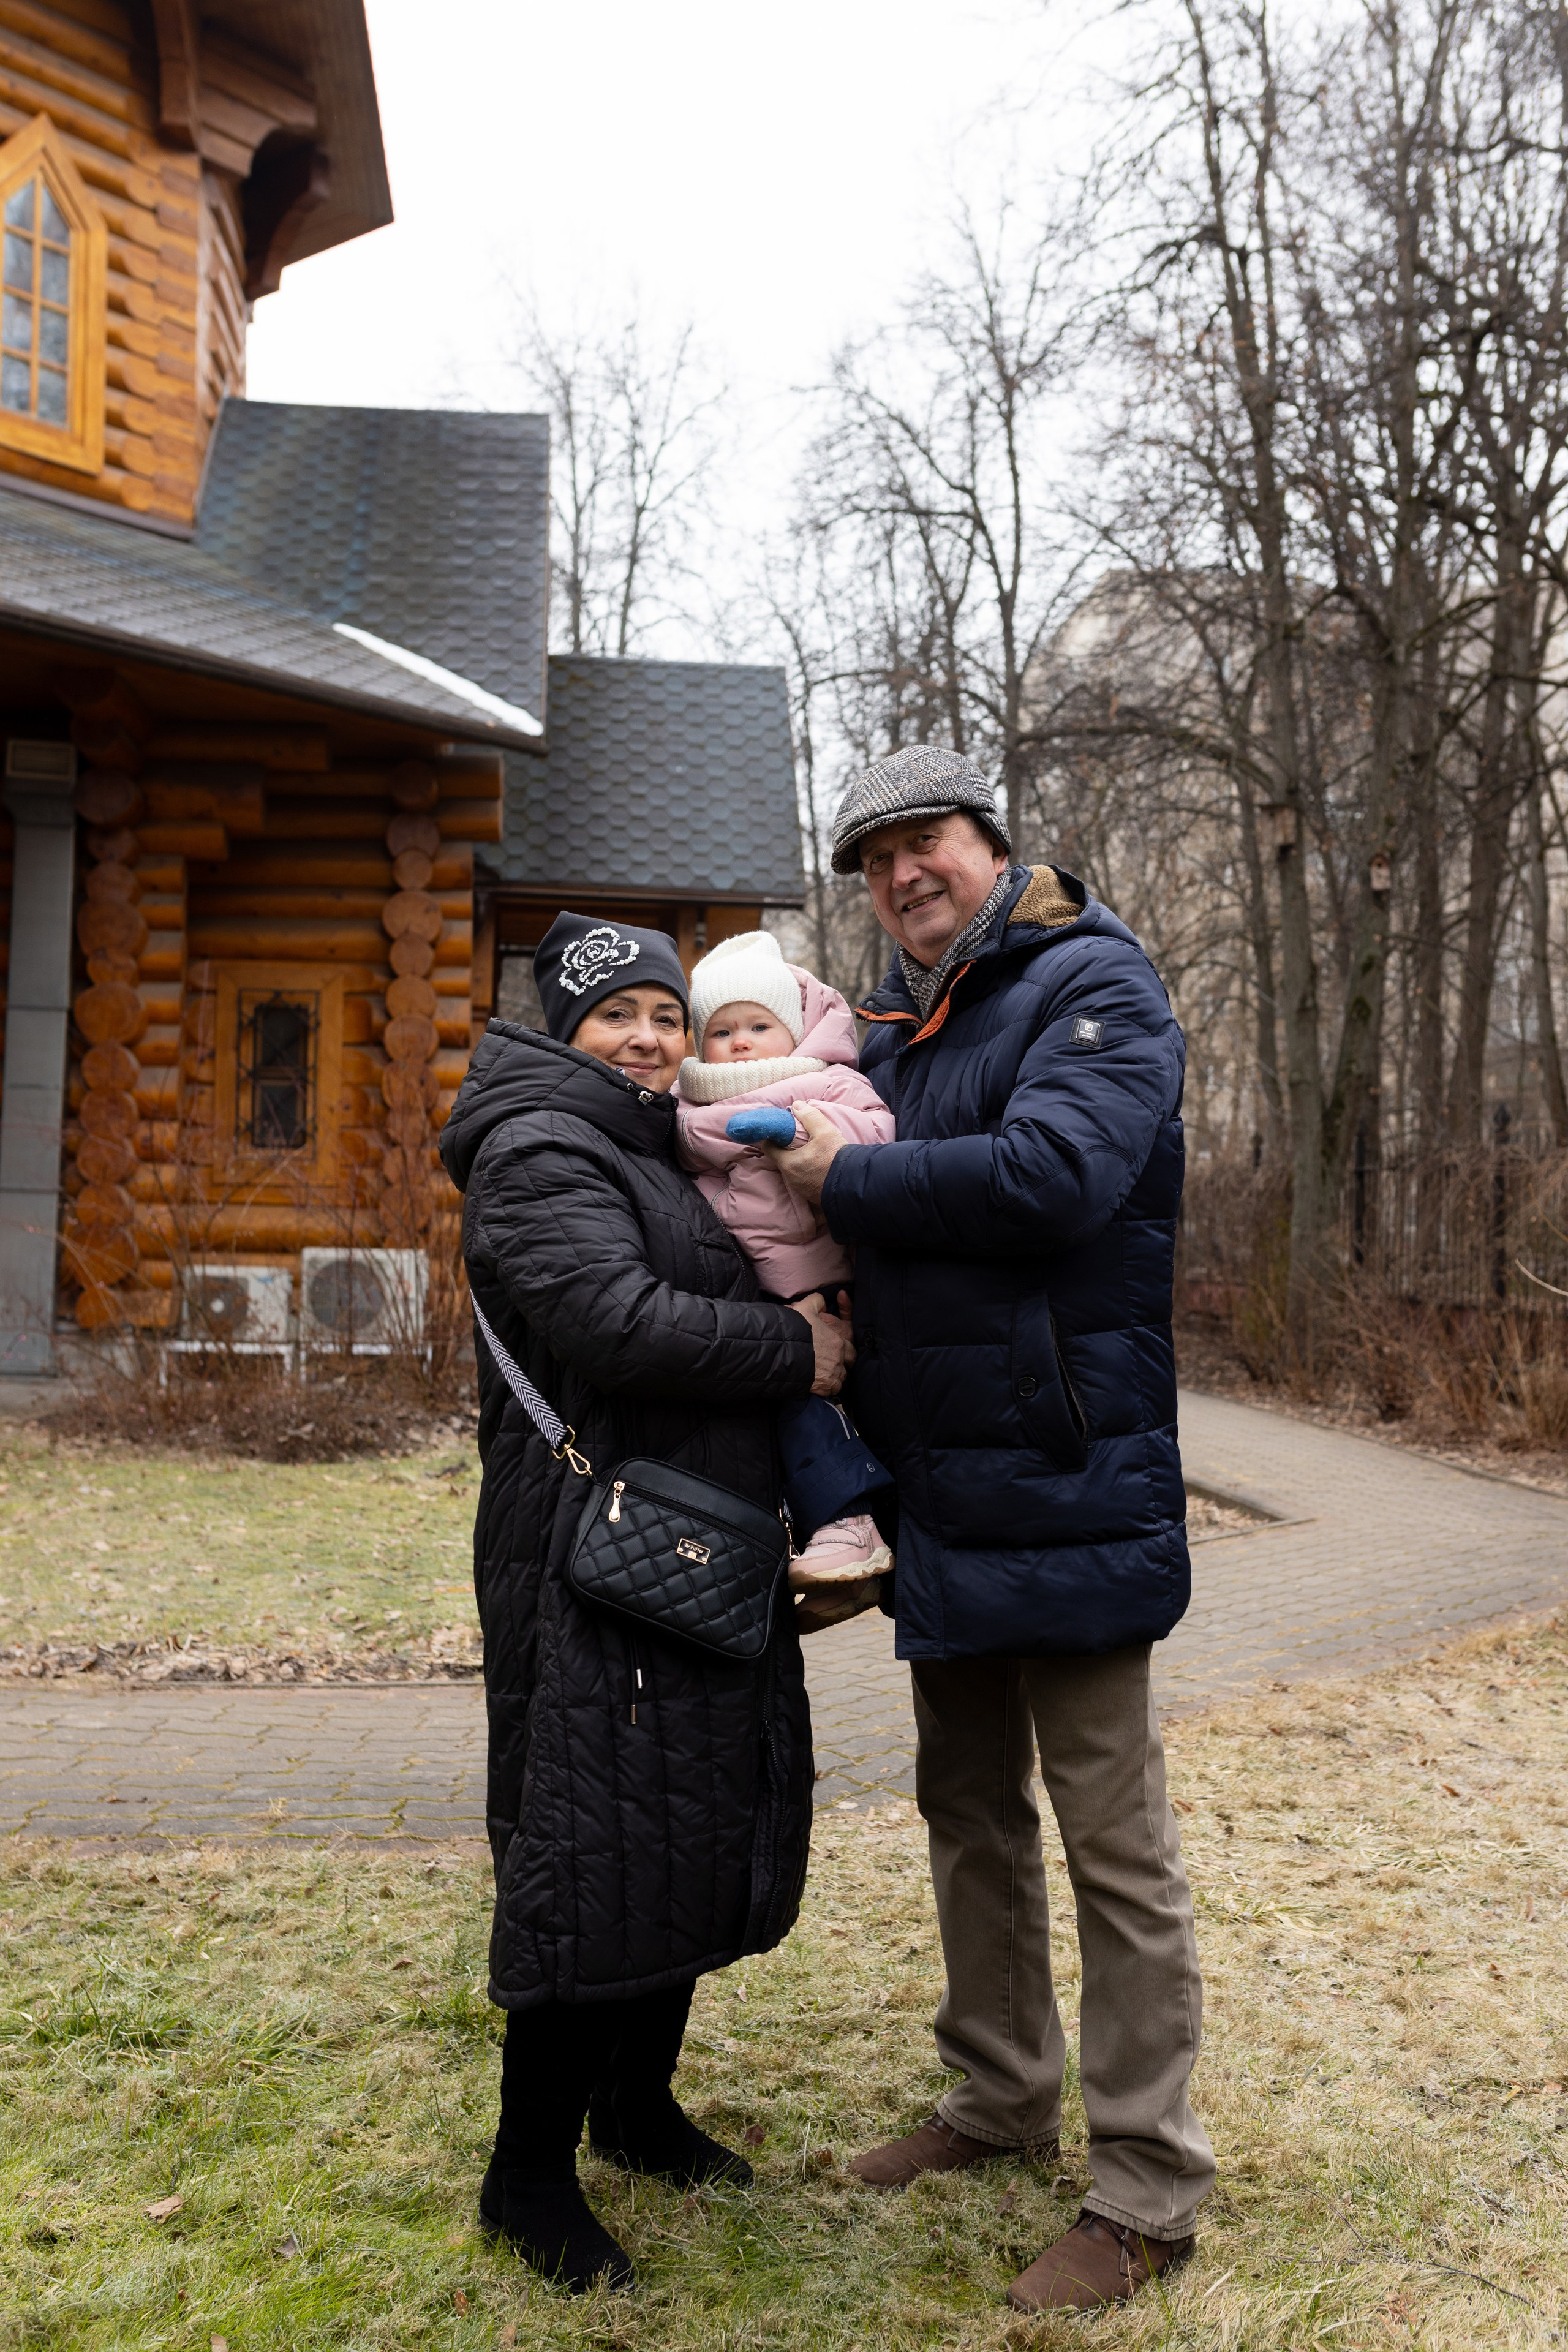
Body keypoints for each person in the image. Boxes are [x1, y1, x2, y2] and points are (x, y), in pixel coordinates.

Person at [764, 746, 1215, 2315]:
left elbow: (1054, 1178)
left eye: (926, 841)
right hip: (942, 1488)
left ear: (990, 844)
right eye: (873, 858)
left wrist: (848, 1174)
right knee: (965, 1804)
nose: (902, 874)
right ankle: (999, 2091)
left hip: (1067, 1476)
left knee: (1112, 1844)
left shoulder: (1093, 984)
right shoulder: (899, 1025)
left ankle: (1146, 2187)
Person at [437, 911, 853, 2294]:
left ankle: (634, 2105)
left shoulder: (649, 1141)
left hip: (689, 1544)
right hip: (589, 1555)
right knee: (588, 1844)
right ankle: (527, 2174)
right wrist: (791, 1348)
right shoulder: (537, 1147)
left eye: (667, 1014)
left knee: (680, 1824)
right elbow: (611, 1321)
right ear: (566, 1028)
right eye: (617, 1012)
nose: (650, 1036)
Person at [674, 928, 895, 1623]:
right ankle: (825, 1553)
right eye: (722, 1031)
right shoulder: (688, 1110)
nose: (740, 1043)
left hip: (820, 1283)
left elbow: (877, 1134)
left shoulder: (824, 1080)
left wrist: (795, 1131)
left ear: (793, 1030)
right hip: (752, 1294)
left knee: (805, 1405)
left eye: (758, 1026)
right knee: (762, 1416)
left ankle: (849, 1524)